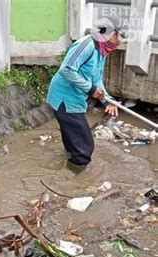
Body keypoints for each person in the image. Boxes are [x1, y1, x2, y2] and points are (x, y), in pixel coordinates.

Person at [46, 17, 123, 173]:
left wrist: (107, 100)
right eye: (121, 37)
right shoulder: (86, 45)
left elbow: (96, 79)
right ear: (112, 33)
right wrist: (90, 89)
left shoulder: (101, 50)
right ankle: (74, 179)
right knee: (85, 148)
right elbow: (66, 70)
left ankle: (66, 170)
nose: (120, 41)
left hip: (75, 99)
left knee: (73, 142)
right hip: (64, 99)